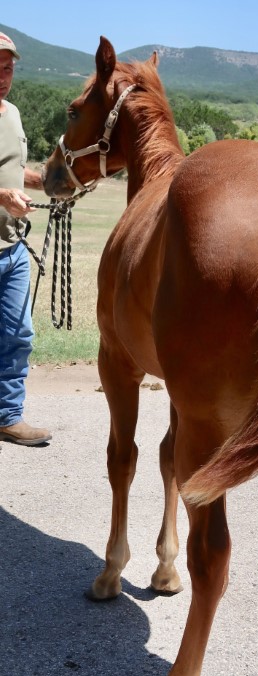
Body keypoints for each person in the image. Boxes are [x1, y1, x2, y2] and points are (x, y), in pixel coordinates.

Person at [0, 32, 51, 446]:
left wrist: (49, 181)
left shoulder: (13, 113)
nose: (3, 74)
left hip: (12, 246)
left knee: (18, 335)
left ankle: (7, 416)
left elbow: (15, 171)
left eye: (9, 66)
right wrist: (2, 196)